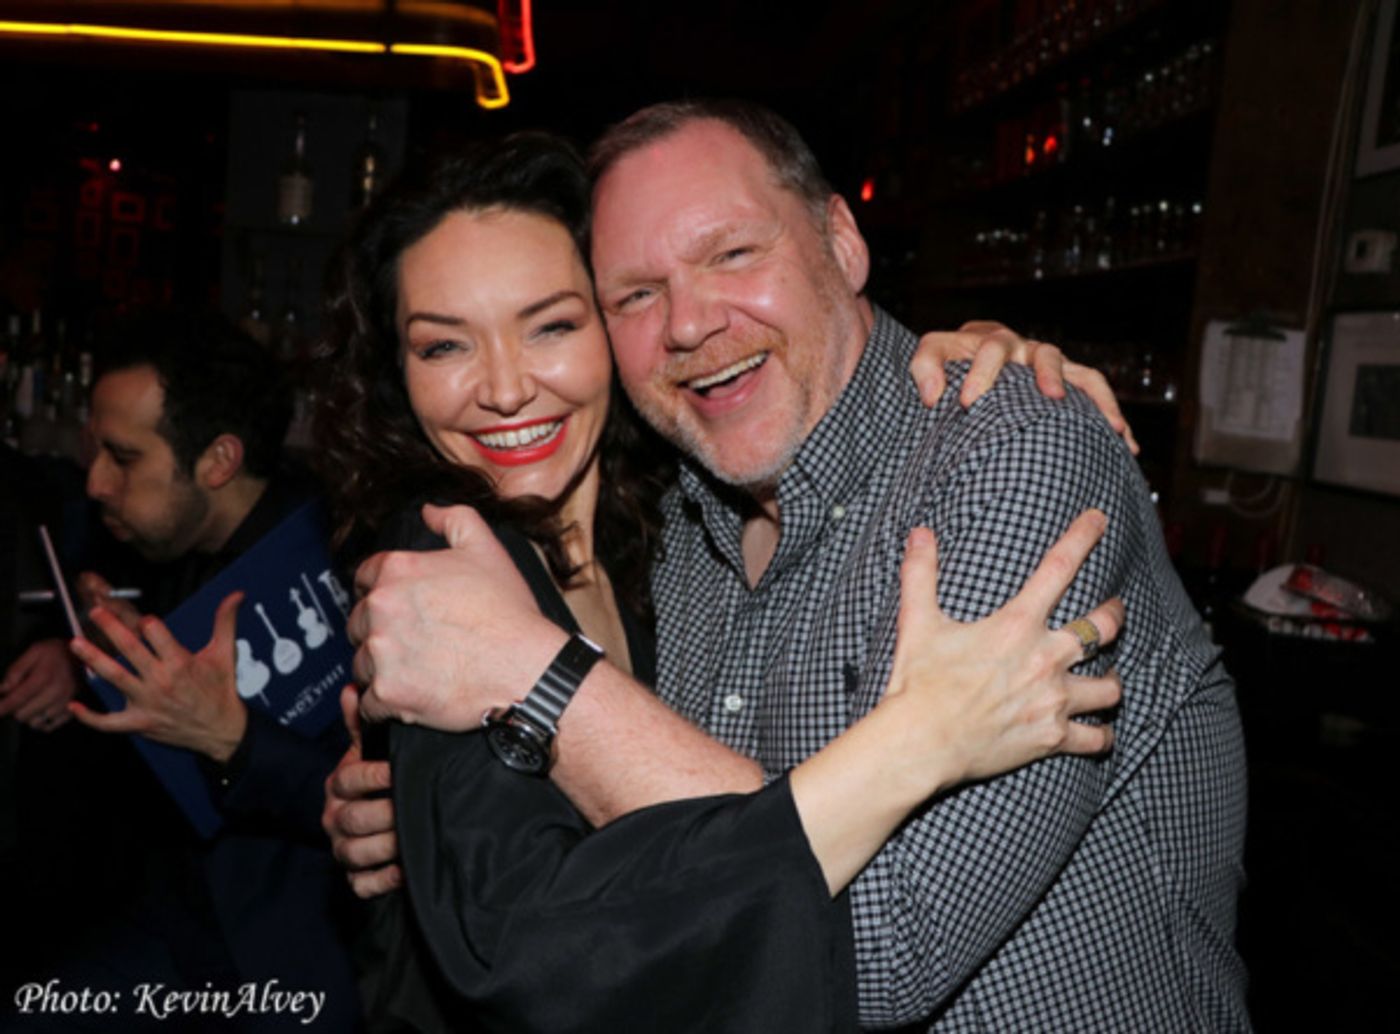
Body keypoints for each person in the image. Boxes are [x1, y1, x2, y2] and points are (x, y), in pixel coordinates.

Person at [343, 100, 1250, 1032]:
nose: (690, 323)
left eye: (734, 254)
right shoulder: (678, 525)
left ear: (844, 242)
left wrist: (532, 673)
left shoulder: (1012, 458)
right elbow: (646, 895)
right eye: (637, 295)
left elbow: (879, 942)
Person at [25, 310, 358, 1031]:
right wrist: (78, 648)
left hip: (289, 965)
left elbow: (381, 810)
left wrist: (233, 738)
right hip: (171, 925)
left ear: (218, 460)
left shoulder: (334, 568)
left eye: (123, 457)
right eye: (94, 452)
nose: (98, 484)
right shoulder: (157, 543)